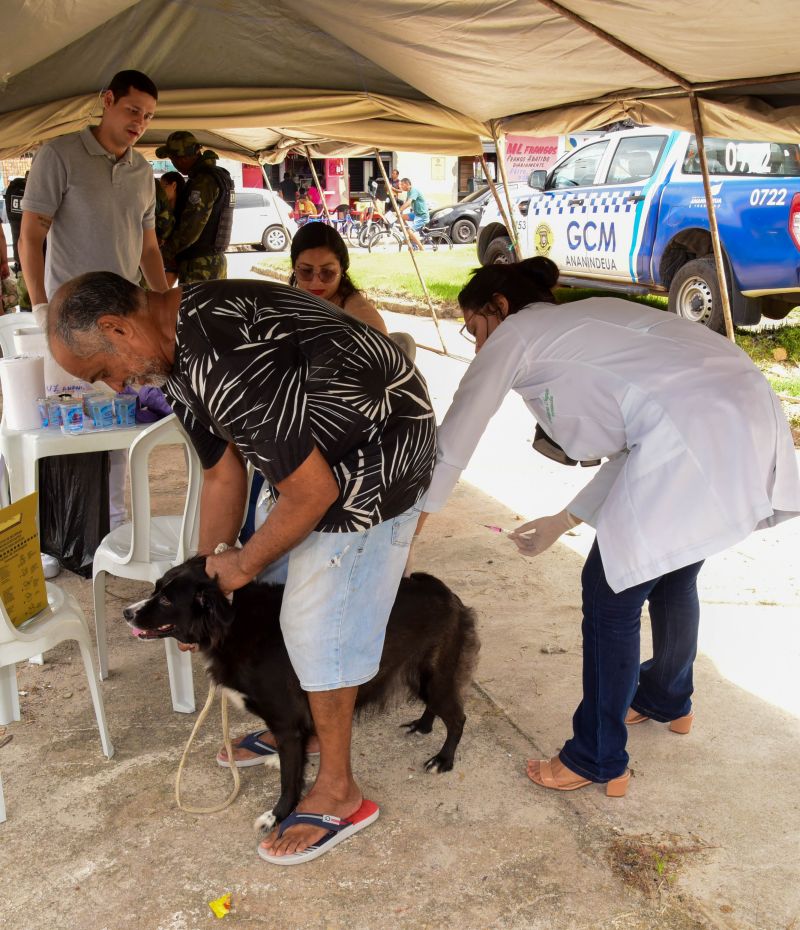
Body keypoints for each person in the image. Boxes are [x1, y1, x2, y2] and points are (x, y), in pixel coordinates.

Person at [47, 270, 436, 864]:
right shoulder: (174, 348)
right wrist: (201, 583)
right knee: (271, 594)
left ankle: (341, 791)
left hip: (377, 459)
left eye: (105, 372)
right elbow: (221, 471)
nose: (119, 386)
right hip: (319, 463)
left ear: (116, 327)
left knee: (318, 626)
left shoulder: (227, 358)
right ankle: (297, 723)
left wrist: (242, 564)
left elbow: (312, 495)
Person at [414, 257, 800, 797]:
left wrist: (411, 529)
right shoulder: (587, 321)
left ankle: (596, 756)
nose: (479, 346)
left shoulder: (519, 332)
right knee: (672, 572)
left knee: (609, 592)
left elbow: (454, 441)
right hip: (744, 413)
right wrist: (563, 520)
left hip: (691, 431)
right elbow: (633, 443)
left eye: (475, 329)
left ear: (498, 308)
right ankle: (667, 698)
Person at [19, 68, 168, 538]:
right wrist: (42, 308)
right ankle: (58, 536)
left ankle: (116, 527)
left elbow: (148, 248)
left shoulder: (143, 171)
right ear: (107, 100)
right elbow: (31, 235)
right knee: (63, 429)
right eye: (131, 110)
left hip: (123, 324)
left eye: (146, 116)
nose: (138, 123)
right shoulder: (59, 154)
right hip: (70, 324)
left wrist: (163, 304)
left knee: (120, 426)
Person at [156, 131, 235, 284]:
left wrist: (164, 255)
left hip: (199, 265)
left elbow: (191, 228)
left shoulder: (203, 181)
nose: (174, 163)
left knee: (195, 308)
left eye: (173, 159)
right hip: (212, 261)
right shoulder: (219, 176)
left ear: (183, 157)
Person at [397, 177, 429, 251]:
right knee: (401, 217)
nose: (401, 186)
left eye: (402, 184)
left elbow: (408, 203)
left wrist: (399, 210)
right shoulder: (409, 192)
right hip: (416, 214)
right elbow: (406, 203)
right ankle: (409, 236)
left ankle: (421, 248)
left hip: (422, 216)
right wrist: (399, 212)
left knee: (409, 230)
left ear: (407, 184)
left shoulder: (414, 191)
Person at [155, 170, 186, 245]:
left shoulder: (184, 212)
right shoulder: (162, 209)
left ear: (174, 185)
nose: (160, 192)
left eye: (162, 187)